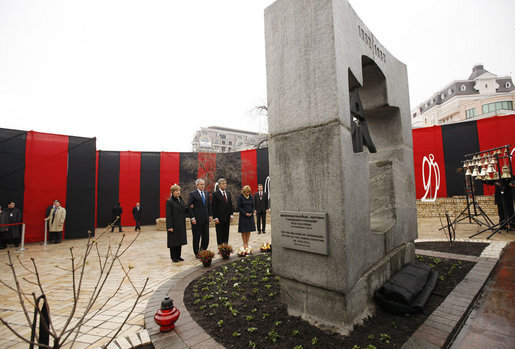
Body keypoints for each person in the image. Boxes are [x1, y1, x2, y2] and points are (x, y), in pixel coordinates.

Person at [188, 179, 212, 257]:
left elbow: (208, 205)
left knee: (206, 237)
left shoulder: (206, 193)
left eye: (204, 184)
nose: (203, 186)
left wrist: (210, 215)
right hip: (197, 220)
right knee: (196, 237)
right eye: (201, 184)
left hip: (205, 219)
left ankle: (203, 250)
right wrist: (192, 218)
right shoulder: (193, 194)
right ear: (197, 185)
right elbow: (190, 207)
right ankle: (197, 252)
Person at [166, 184, 188, 262]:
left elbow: (184, 210)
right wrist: (169, 226)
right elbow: (168, 215)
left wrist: (190, 207)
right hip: (174, 225)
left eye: (179, 191)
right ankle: (173, 257)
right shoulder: (169, 201)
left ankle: (178, 256)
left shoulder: (181, 200)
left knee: (180, 240)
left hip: (180, 224)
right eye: (176, 191)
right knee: (173, 241)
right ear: (172, 192)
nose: (178, 192)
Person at [211, 178, 234, 245]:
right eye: (223, 184)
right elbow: (213, 207)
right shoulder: (215, 194)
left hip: (227, 217)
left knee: (226, 233)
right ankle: (220, 248)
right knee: (220, 233)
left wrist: (231, 215)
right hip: (219, 218)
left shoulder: (228, 193)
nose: (224, 185)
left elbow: (230, 205)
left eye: (225, 183)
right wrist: (215, 217)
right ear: (219, 185)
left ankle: (226, 247)